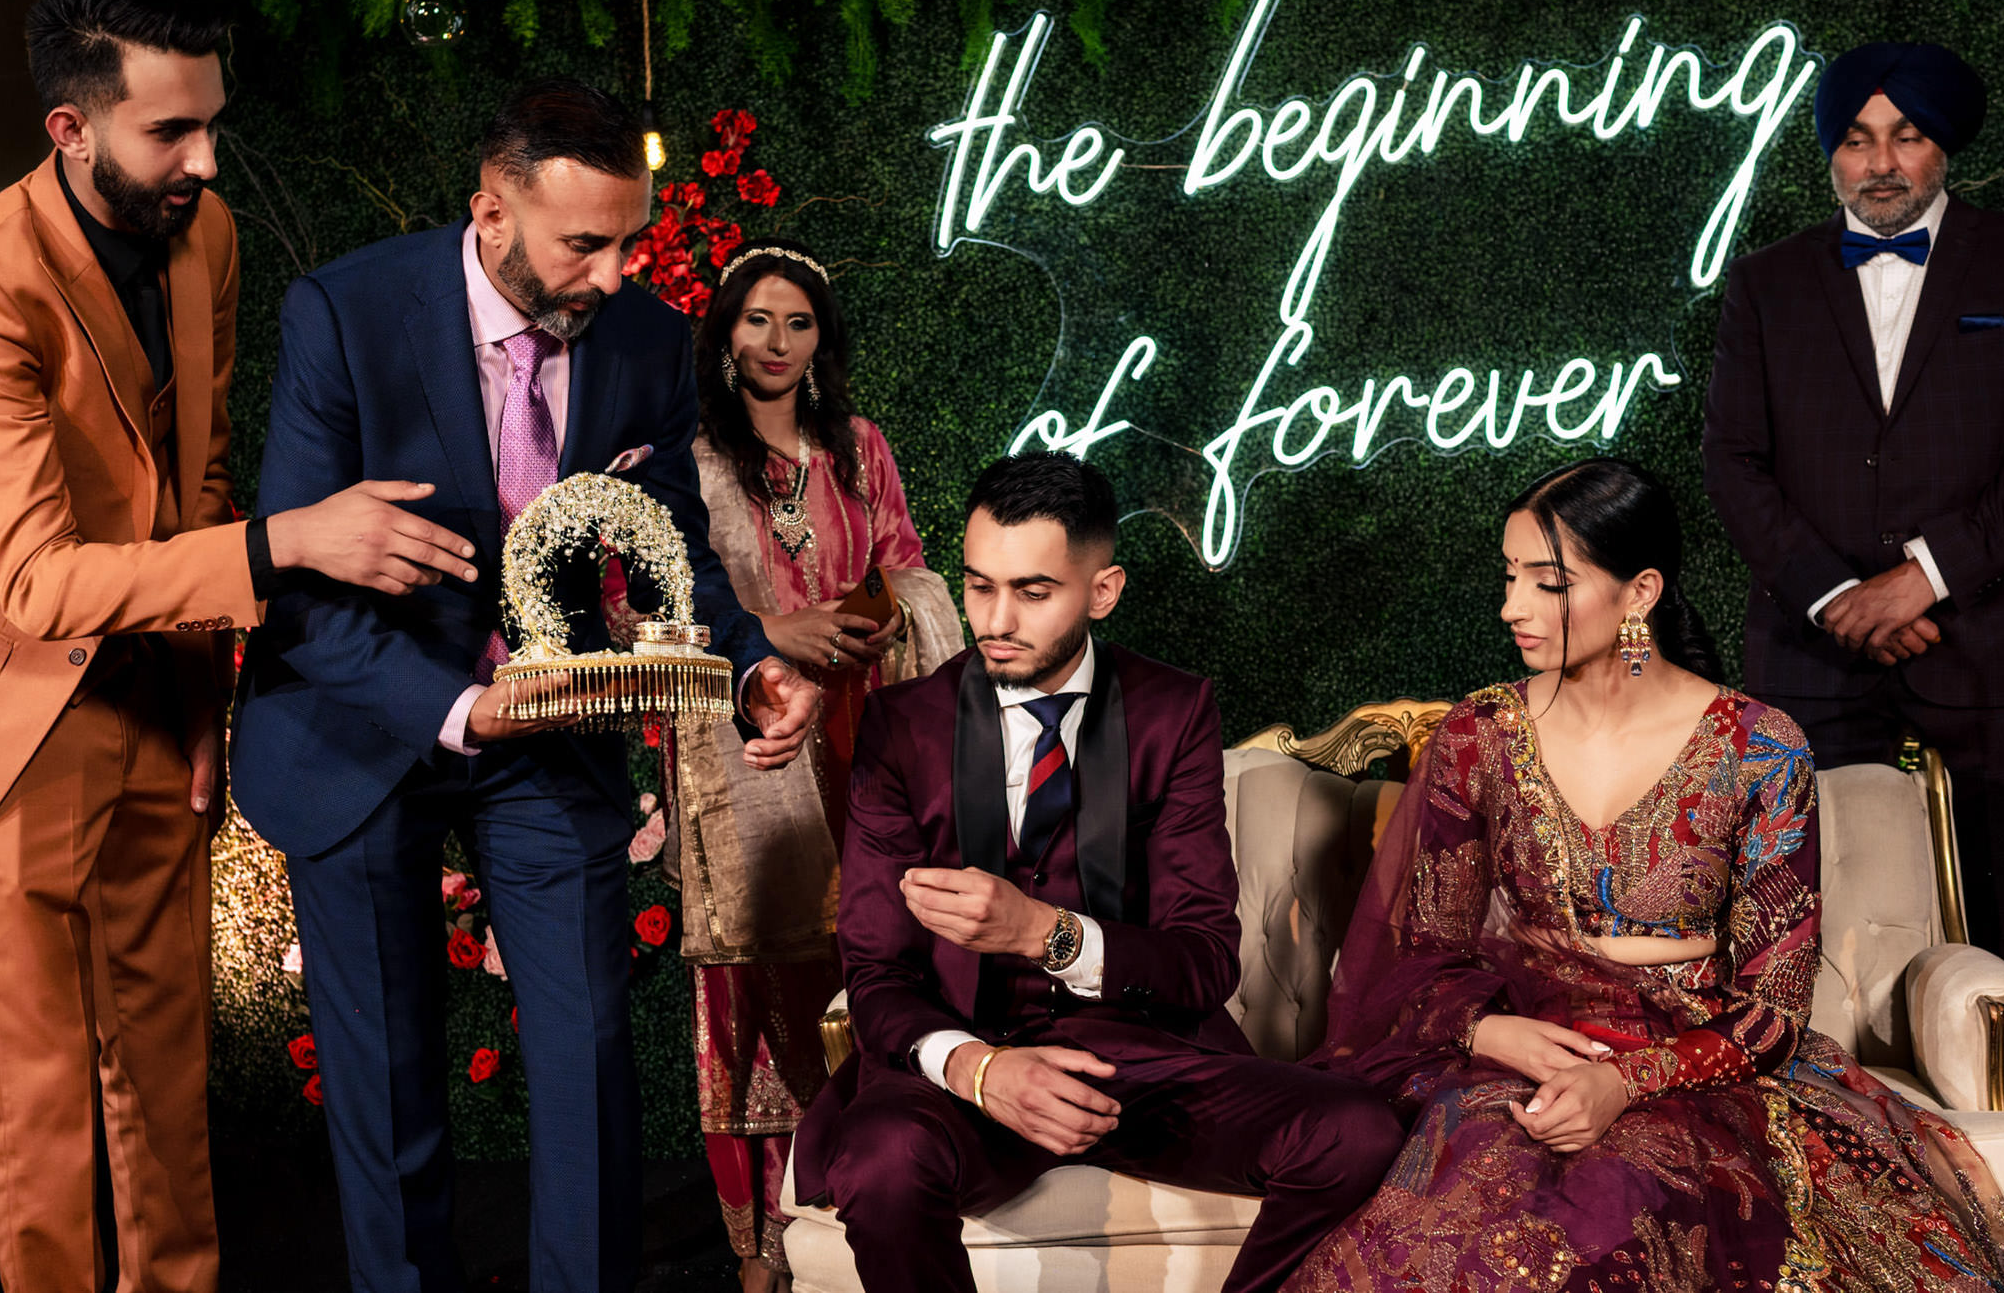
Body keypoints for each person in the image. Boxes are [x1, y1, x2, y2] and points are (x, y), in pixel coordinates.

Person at [0, 0, 479, 1293]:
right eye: (170, 131)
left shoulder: (207, 234)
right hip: (5, 724)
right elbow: (37, 580)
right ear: (69, 128)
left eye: (213, 122)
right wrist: (289, 542)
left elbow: (195, 474)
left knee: (166, 1081)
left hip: (157, 704)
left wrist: (208, 707)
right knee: (39, 1109)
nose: (205, 158)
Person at [228, 78, 820, 1293]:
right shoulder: (344, 312)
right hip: (362, 724)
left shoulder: (645, 337)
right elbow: (300, 581)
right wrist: (456, 708)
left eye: (630, 241)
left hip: (547, 732)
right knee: (387, 1081)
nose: (614, 274)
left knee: (589, 1052)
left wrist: (751, 664)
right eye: (584, 244)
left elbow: (670, 546)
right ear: (491, 211)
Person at [1282, 457, 2004, 1292]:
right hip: (1521, 1055)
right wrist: (1487, 1033)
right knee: (1467, 1209)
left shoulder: (1759, 748)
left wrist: (1622, 1081)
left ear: (1640, 592)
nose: (1512, 607)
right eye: (1508, 576)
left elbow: (1774, 1011)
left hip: (1696, 1067)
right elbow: (1417, 953)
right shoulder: (1479, 735)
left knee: (1633, 1193)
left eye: (1548, 583)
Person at [789, 453, 1402, 1293]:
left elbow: (1203, 960)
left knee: (1359, 1132)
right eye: (979, 587)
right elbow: (874, 969)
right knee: (881, 1160)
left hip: (1135, 1060)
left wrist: (1045, 933)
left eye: (1033, 592)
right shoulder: (904, 726)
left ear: (1102, 591)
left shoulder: (1171, 712)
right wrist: (980, 1070)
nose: (995, 620)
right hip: (966, 1066)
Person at [601, 240, 964, 1290]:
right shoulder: (685, 456)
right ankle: (759, 1249)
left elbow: (909, 571)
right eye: (756, 318)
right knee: (750, 985)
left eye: (798, 322)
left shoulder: (858, 448)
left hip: (862, 737)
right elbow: (632, 607)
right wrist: (766, 633)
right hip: (744, 744)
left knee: (870, 955)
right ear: (724, 331)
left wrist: (862, 622)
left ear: (821, 339)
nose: (776, 341)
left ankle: (866, 1211)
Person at [1702, 41, 2004, 1100]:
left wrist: (1923, 577)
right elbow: (1733, 461)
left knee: (2002, 914)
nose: (1881, 163)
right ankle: (1799, 1119)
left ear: (1942, 146)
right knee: (1792, 908)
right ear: (1831, 154)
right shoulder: (1765, 282)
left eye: (1905, 136)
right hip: (1810, 653)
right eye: (1857, 140)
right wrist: (1834, 596)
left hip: (1992, 643)